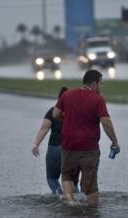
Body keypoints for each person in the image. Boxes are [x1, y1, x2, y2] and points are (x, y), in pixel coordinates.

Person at [52, 69, 120, 205]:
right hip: (88, 148)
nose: (101, 87)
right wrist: (115, 141)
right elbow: (106, 122)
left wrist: (66, 119)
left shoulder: (67, 95)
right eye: (101, 84)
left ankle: (70, 203)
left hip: (68, 145)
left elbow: (55, 114)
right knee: (90, 184)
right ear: (94, 84)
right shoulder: (97, 99)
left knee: (67, 175)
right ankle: (92, 214)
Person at [31, 86, 79, 195]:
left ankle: (60, 197)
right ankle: (77, 200)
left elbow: (44, 129)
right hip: (73, 150)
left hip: (55, 149)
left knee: (52, 179)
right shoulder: (76, 112)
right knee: (73, 181)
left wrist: (36, 144)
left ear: (59, 99)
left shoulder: (52, 111)